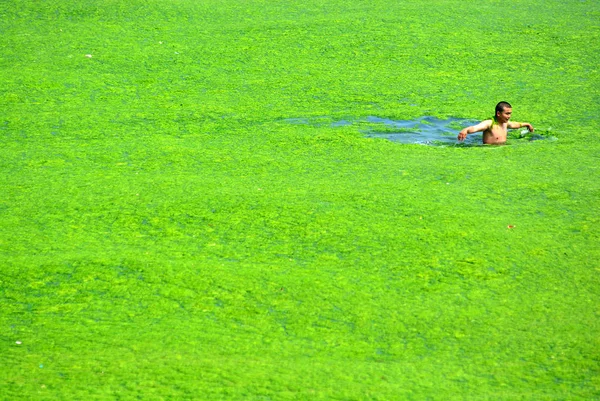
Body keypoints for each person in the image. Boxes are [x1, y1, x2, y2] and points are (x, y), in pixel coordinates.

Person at [457, 101, 534, 144]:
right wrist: (466, 130)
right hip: (489, 153)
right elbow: (476, 128)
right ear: (498, 114)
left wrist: (527, 124)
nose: (509, 116)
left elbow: (516, 124)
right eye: (507, 114)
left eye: (510, 113)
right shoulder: (489, 123)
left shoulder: (505, 123)